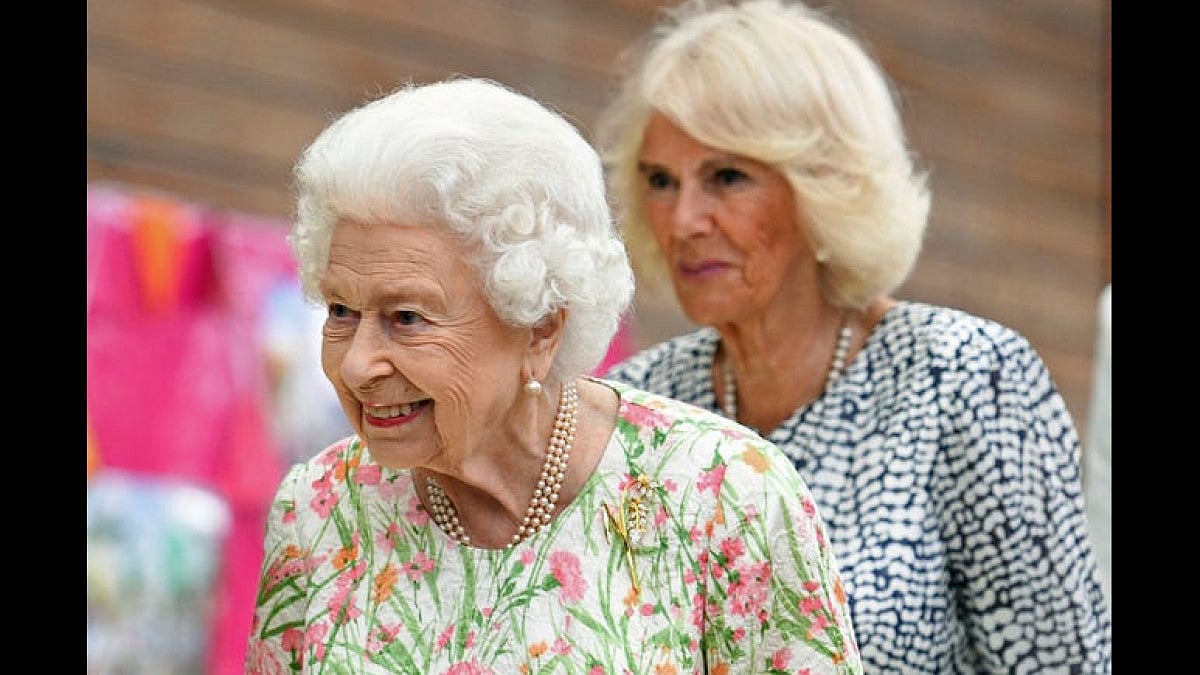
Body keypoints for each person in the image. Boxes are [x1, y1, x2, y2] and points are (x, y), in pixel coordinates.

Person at [244, 76, 862, 674]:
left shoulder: (723, 495)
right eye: (342, 311)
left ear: (540, 326)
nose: (357, 364)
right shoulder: (319, 508)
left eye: (407, 317)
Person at [594, 1, 1112, 672]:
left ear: (824, 185)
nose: (684, 218)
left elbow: (1063, 664)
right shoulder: (632, 408)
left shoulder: (965, 376)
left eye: (727, 176)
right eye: (661, 181)